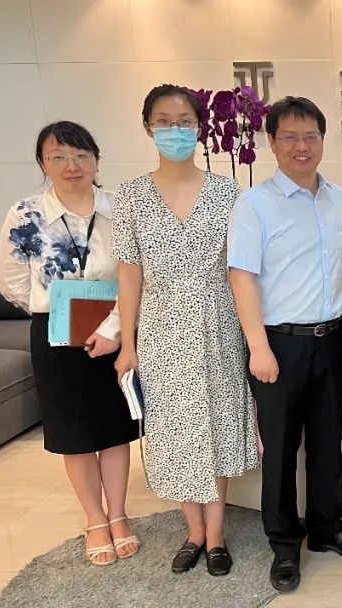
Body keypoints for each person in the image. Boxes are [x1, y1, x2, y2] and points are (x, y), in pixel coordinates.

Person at [228, 96, 342, 593]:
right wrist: (258, 348)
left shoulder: (334, 196)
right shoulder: (254, 204)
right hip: (280, 344)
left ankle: (327, 528)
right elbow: (241, 276)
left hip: (332, 338)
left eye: (311, 135)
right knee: (280, 449)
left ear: (322, 140)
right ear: (271, 142)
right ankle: (285, 544)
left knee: (328, 439)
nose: (301, 146)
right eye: (289, 136)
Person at [112, 84, 259, 577]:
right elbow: (129, 273)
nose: (174, 131)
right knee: (175, 431)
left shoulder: (228, 192)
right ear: (147, 127)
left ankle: (215, 535)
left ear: (199, 128)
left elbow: (240, 270)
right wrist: (128, 343)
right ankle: (192, 531)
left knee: (215, 427)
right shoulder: (131, 196)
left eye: (184, 122)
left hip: (218, 324)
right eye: (164, 122)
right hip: (160, 329)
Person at [0, 121, 141, 567]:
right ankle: (95, 519)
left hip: (116, 328)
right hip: (55, 335)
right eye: (58, 157)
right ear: (43, 163)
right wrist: (54, 310)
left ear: (97, 160)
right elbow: (10, 279)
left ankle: (118, 514)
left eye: (80, 155)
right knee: (73, 433)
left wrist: (114, 328)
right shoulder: (26, 214)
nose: (71, 165)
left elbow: (137, 274)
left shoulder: (123, 208)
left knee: (115, 429)